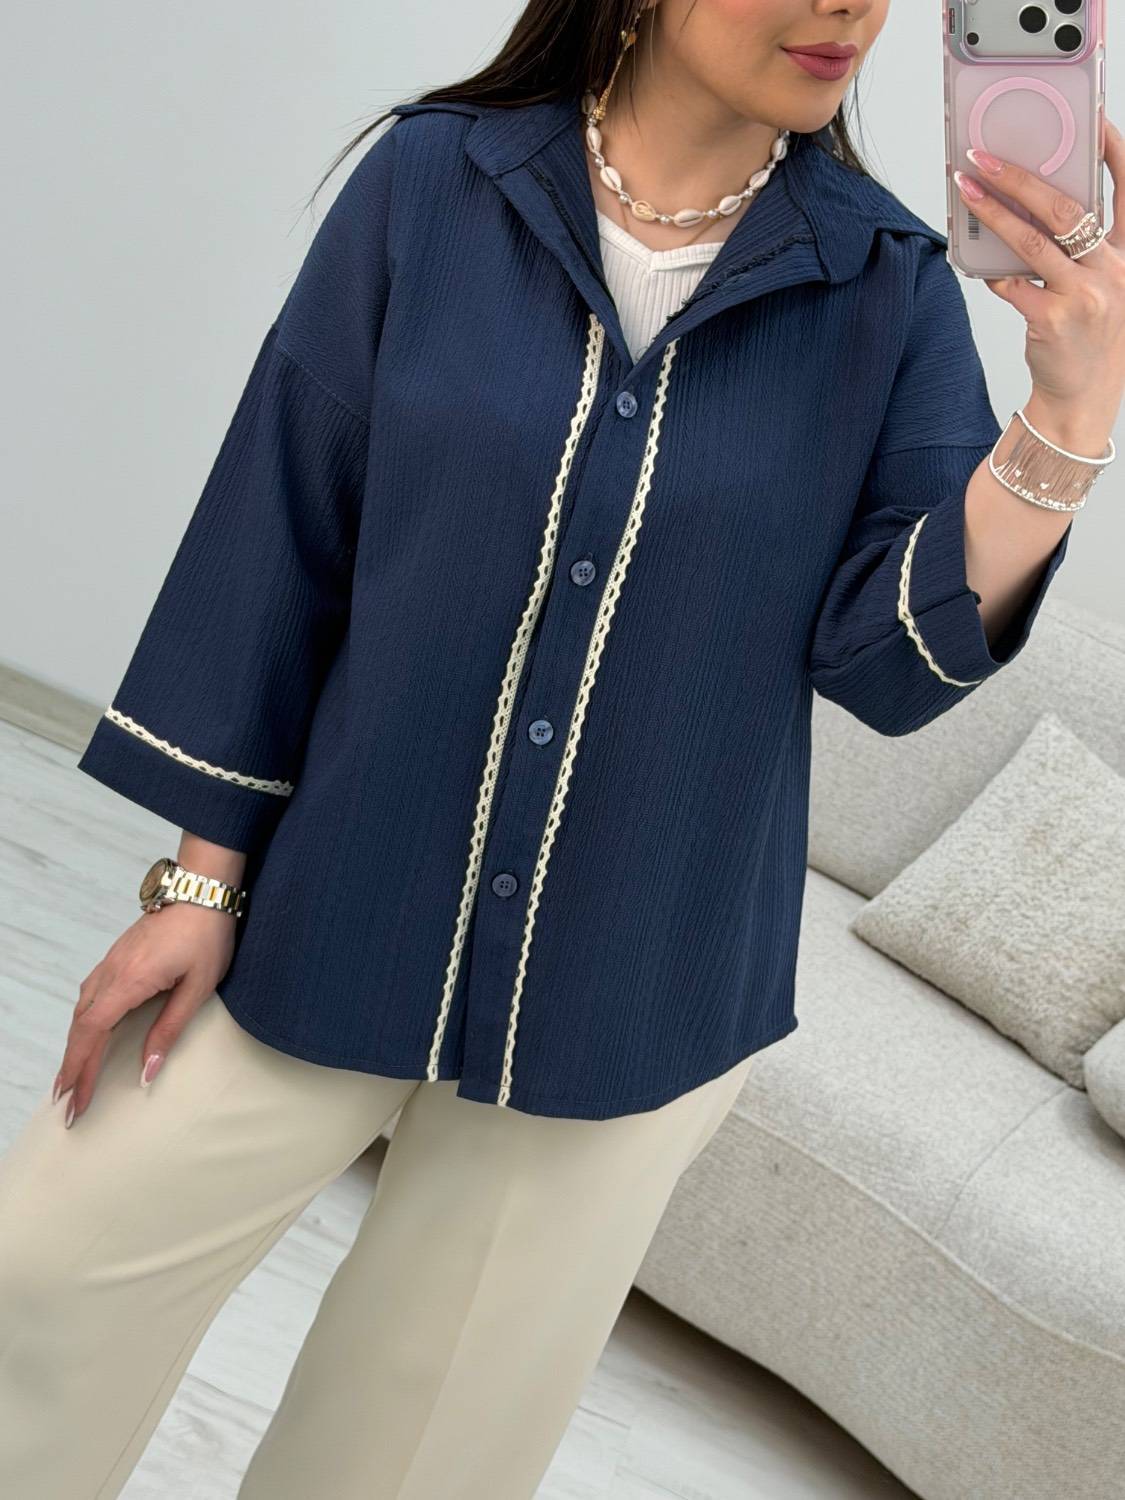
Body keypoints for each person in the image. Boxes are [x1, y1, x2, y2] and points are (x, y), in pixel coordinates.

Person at [2, 2, 1122, 1496]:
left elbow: (887, 662)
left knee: (414, 1462)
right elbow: (286, 522)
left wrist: (1066, 418)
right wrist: (202, 882)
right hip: (335, 906)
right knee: (45, 1285)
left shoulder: (887, 286)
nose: (850, 6)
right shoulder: (434, 183)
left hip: (632, 988)